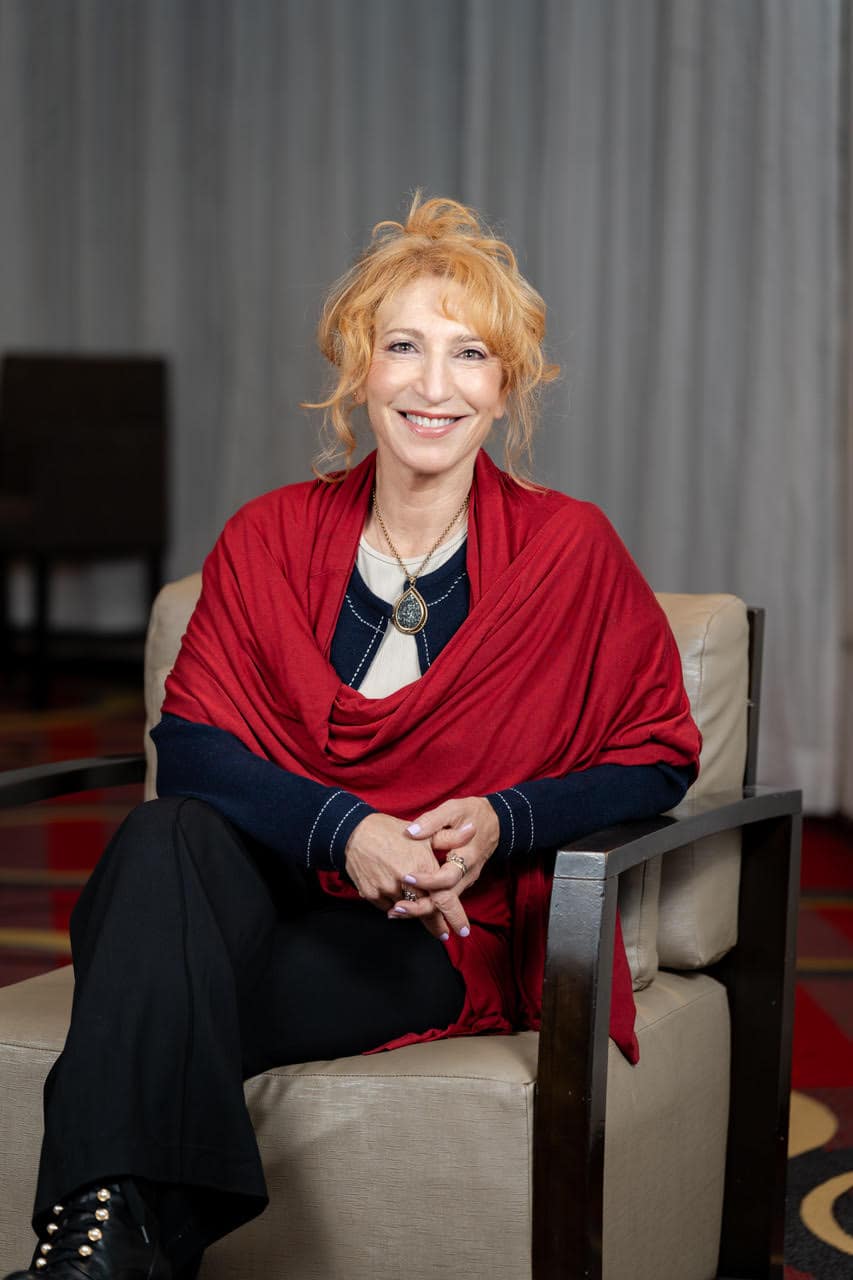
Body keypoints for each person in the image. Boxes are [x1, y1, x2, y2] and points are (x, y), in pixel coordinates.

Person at [4, 195, 701, 1280]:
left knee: (146, 985)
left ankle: (94, 1244)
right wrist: (345, 829)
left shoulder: (569, 548)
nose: (434, 384)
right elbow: (188, 745)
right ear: (356, 368)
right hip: (245, 893)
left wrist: (502, 819)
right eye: (404, 347)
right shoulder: (270, 534)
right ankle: (114, 1254)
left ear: (505, 384)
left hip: (419, 938)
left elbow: (659, 749)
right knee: (161, 840)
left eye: (469, 354)